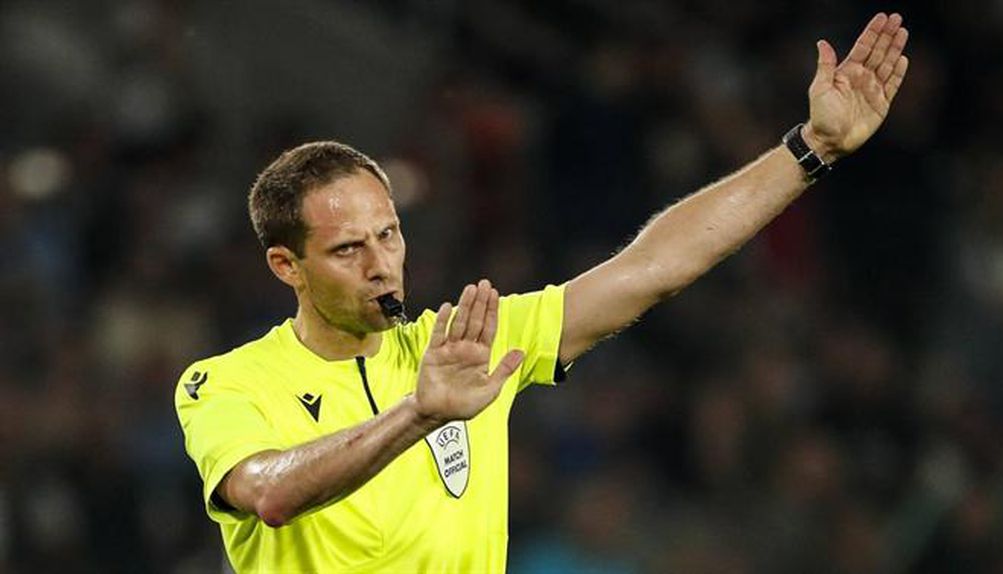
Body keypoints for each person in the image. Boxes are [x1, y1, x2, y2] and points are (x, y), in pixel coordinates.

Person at [175, 12, 909, 573]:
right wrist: (418, 414)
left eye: (389, 235)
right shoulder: (226, 383)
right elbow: (269, 494)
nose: (380, 264)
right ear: (286, 266)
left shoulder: (466, 344)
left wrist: (812, 149)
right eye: (346, 249)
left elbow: (652, 268)